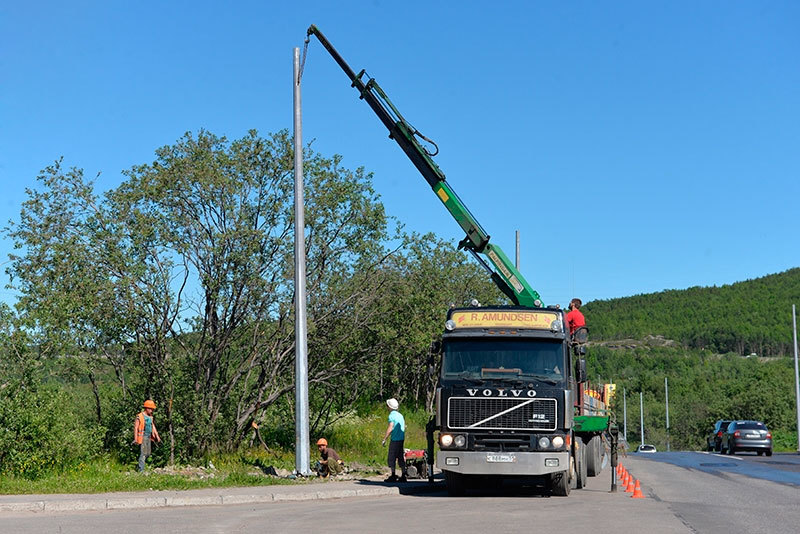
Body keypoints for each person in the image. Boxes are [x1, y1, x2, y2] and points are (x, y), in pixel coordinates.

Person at [381, 398, 407, 482]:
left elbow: (390, 427)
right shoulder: (400, 415)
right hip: (401, 439)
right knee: (400, 457)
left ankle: (393, 475)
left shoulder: (391, 415)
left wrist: (385, 438)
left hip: (395, 439)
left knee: (391, 457)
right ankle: (403, 474)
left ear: (389, 407)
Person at [133, 399, 161, 472]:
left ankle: (141, 467)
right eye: (151, 409)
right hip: (142, 436)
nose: (152, 411)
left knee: (148, 453)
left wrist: (157, 436)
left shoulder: (150, 417)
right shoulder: (140, 416)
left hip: (149, 436)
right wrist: (135, 439)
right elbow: (136, 428)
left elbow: (152, 426)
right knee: (143, 454)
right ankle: (141, 470)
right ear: (146, 408)